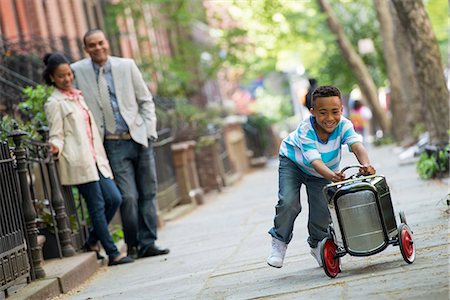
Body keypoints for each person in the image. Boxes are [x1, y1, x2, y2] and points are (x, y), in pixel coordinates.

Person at [71, 29, 169, 259]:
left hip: (139, 138)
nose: (98, 48)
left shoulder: (127, 66)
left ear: (107, 43)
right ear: (86, 49)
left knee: (148, 193)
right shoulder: (77, 71)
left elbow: (145, 101)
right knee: (128, 197)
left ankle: (148, 243)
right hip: (112, 143)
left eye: (101, 43)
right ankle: (132, 244)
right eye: (92, 45)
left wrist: (149, 131)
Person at [267, 85, 376, 268]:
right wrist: (332, 176)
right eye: (323, 113)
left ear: (341, 110)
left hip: (323, 171)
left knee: (322, 210)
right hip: (294, 163)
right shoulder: (305, 129)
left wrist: (366, 164)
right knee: (289, 203)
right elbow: (314, 161)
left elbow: (357, 146)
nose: (329, 118)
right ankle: (279, 242)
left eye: (335, 112)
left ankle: (318, 245)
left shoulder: (345, 125)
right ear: (312, 112)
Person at [43, 52, 134, 266]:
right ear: (52, 78)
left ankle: (92, 240)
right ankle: (112, 252)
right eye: (61, 76)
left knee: (115, 198)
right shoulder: (54, 102)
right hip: (78, 161)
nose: (67, 79)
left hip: (95, 159)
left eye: (68, 74)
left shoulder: (78, 97)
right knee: (97, 205)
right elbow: (56, 133)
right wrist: (55, 146)